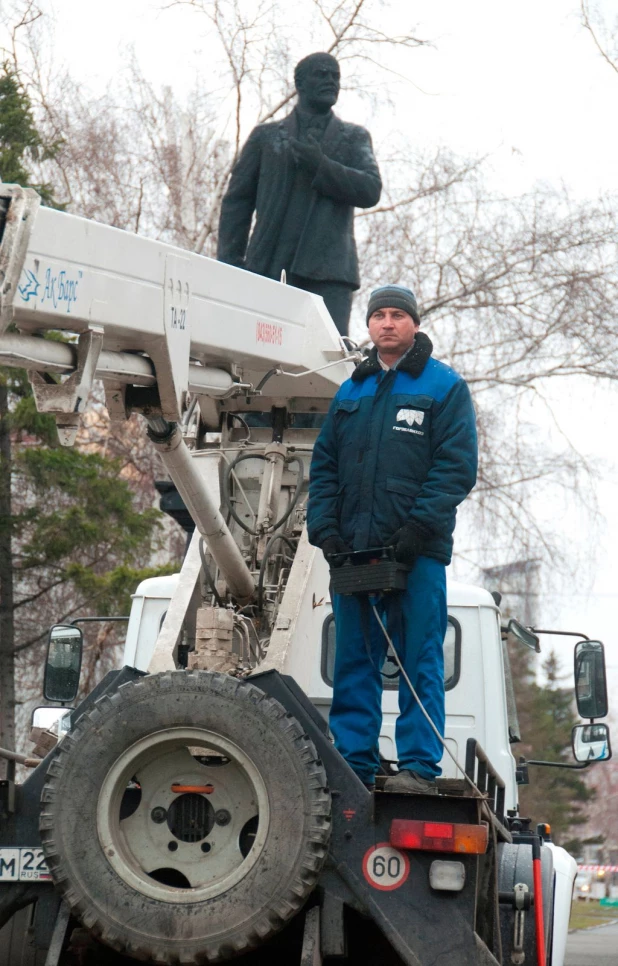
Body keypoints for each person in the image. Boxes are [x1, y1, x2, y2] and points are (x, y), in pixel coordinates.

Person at [307, 285, 478, 792]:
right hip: (353, 554)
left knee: (420, 656)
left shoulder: (444, 387)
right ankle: (354, 765)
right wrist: (326, 531)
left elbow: (455, 468)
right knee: (353, 662)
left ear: (414, 325)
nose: (387, 323)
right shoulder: (350, 391)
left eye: (397, 315)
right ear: (369, 327)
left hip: (416, 554)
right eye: (378, 315)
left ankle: (419, 769)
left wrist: (417, 529)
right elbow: (325, 468)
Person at [216, 52, 382, 336]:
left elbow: (370, 189)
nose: (331, 81)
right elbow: (237, 203)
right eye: (322, 74)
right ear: (300, 84)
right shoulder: (265, 138)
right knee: (258, 359)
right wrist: (231, 264)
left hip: (329, 274)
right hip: (268, 268)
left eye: (335, 76)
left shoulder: (354, 137)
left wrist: (322, 165)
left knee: (327, 360)